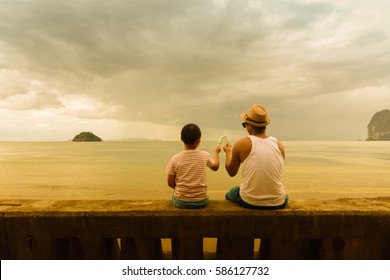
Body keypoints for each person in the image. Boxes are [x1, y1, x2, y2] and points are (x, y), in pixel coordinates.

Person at [223, 104, 288, 209]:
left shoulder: (241, 144)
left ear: (250, 126)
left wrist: (228, 153)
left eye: (245, 125)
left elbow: (231, 172)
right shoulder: (279, 145)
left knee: (231, 193)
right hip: (278, 202)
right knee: (284, 195)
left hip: (250, 201)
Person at [166, 123, 221, 208]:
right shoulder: (205, 155)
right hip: (201, 201)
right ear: (198, 141)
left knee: (174, 196)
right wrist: (216, 153)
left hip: (181, 202)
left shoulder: (174, 159)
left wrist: (183, 191)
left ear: (181, 139)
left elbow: (170, 183)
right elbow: (216, 167)